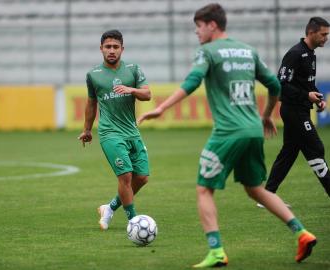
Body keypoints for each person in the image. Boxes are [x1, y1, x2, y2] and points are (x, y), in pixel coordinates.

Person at [138, 4, 316, 268]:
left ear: (212, 25)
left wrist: (161, 108)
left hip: (228, 132)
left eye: (198, 26)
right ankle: (302, 233)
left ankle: (216, 251)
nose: (197, 32)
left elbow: (192, 82)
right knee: (255, 189)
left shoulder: (208, 52)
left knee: (204, 189)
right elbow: (275, 85)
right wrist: (266, 115)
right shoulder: (248, 50)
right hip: (253, 129)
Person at [78, 29, 152, 230]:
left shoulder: (133, 69)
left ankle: (109, 208)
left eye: (115, 47)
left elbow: (147, 95)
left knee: (142, 178)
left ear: (122, 49)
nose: (112, 50)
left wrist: (132, 90)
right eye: (108, 47)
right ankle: (134, 222)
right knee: (126, 176)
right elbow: (91, 103)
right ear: (101, 49)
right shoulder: (93, 75)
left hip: (132, 131)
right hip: (110, 133)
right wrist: (87, 129)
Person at [260, 17, 330, 206]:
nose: (326, 38)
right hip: (293, 111)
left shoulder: (310, 53)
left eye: (327, 34)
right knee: (316, 148)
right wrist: (306, 96)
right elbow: (280, 85)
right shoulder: (295, 53)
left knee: (289, 152)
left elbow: (305, 83)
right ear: (311, 32)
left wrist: (317, 98)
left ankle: (267, 196)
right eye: (323, 34)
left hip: (301, 109)